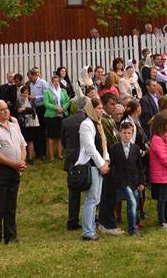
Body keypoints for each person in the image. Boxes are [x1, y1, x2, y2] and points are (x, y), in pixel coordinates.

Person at [0, 99, 27, 246]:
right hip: (0, 169)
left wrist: (21, 161)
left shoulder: (14, 126)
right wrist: (13, 164)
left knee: (11, 205)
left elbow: (22, 145)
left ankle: (11, 235)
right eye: (2, 109)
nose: (6, 111)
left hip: (15, 169)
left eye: (6, 108)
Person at [76, 97, 109, 241]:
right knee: (92, 198)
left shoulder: (99, 124)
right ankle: (88, 232)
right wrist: (101, 164)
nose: (101, 111)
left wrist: (106, 160)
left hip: (100, 164)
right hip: (91, 165)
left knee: (96, 198)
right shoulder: (86, 124)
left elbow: (104, 145)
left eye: (102, 108)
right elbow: (90, 147)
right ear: (91, 109)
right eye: (99, 108)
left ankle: (92, 227)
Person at [109, 120, 144, 235]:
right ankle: (132, 229)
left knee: (135, 202)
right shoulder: (114, 149)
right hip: (121, 182)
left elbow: (140, 167)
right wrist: (115, 181)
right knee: (132, 202)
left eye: (129, 133)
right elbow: (112, 167)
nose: (127, 135)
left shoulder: (136, 148)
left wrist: (141, 182)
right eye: (124, 133)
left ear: (132, 134)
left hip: (134, 181)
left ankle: (135, 223)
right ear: (120, 133)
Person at [61, 105, 86, 231]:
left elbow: (63, 142)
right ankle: (92, 218)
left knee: (73, 193)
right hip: (85, 158)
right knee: (91, 191)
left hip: (71, 158)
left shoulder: (66, 121)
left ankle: (72, 221)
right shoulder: (88, 120)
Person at [44, 74, 70, 161]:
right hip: (51, 117)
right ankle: (51, 156)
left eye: (57, 81)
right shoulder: (47, 91)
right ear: (51, 82)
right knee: (51, 137)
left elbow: (67, 101)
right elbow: (46, 103)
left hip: (62, 115)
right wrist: (56, 108)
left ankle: (60, 154)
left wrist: (63, 108)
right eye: (54, 81)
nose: (56, 83)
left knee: (60, 136)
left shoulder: (63, 91)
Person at [15, 85, 40, 162]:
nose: (25, 94)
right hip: (22, 123)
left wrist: (25, 109)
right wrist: (22, 109)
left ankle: (31, 158)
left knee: (30, 140)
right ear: (21, 93)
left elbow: (34, 110)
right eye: (24, 93)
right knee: (22, 141)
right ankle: (24, 158)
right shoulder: (18, 101)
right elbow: (17, 110)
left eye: (27, 93)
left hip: (31, 123)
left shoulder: (31, 101)